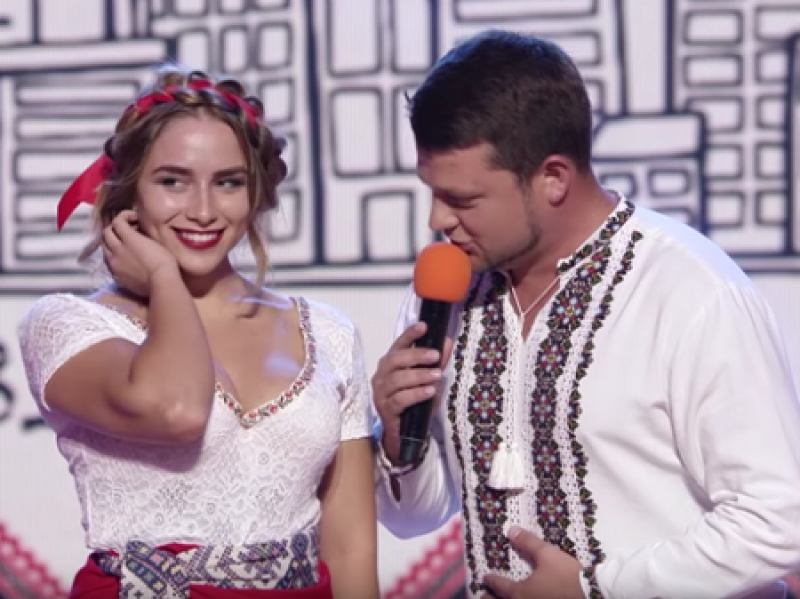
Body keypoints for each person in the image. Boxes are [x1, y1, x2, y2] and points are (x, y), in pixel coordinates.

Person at [371, 30, 800, 599]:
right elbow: (414, 518)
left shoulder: (690, 290)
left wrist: (598, 588)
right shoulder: (444, 296)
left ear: (553, 178)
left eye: (462, 200)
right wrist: (398, 437)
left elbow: (776, 520)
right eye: (432, 191)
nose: (437, 220)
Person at [17, 63, 379, 599]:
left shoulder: (328, 333)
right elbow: (176, 411)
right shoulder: (66, 325)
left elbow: (349, 549)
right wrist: (163, 278)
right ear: (130, 191)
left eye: (228, 182)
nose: (204, 210)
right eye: (173, 182)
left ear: (255, 192)